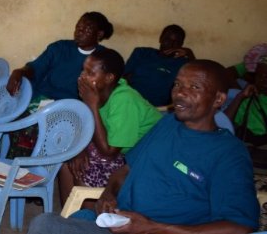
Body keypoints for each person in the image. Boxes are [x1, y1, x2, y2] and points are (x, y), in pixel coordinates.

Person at [28, 60, 260, 234]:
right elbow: (126, 170)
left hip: (161, 231)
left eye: (194, 87)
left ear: (218, 100)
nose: (180, 92)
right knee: (44, 223)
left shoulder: (229, 154)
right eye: (178, 84)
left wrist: (153, 227)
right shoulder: (168, 124)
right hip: (118, 224)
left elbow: (240, 225)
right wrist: (108, 194)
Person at [58, 48, 160, 206]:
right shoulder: (99, 92)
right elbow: (87, 126)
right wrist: (80, 148)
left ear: (109, 78)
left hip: (145, 160)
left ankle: (89, 220)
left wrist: (91, 104)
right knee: (69, 159)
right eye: (83, 70)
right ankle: (70, 218)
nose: (82, 76)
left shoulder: (124, 99)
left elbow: (109, 151)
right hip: (119, 151)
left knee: (84, 168)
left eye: (90, 73)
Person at [5, 12, 114, 158]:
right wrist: (19, 72)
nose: (79, 31)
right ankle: (14, 166)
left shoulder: (104, 59)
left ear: (99, 34)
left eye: (86, 28)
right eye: (78, 27)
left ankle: (22, 169)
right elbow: (35, 68)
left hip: (72, 110)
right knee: (16, 119)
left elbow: (105, 91)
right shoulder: (60, 48)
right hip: (43, 101)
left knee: (33, 129)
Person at [123, 24, 195, 107]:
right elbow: (124, 78)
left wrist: (189, 53)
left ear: (181, 45)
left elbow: (197, 76)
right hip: (131, 102)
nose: (171, 44)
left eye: (176, 42)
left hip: (159, 108)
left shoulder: (182, 63)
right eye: (168, 39)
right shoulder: (142, 53)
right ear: (160, 38)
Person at [225, 55, 267, 146]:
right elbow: (223, 125)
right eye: (259, 76)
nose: (263, 80)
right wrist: (240, 97)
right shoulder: (247, 99)